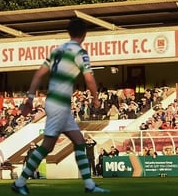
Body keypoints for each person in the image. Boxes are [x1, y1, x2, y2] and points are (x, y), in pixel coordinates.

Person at [11, 18, 109, 194]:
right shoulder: (80, 52)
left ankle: (89, 184)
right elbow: (89, 78)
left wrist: (30, 99)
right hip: (59, 105)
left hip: (56, 103)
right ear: (84, 34)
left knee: (79, 141)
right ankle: (19, 183)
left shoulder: (57, 51)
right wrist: (95, 99)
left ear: (69, 32)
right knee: (47, 146)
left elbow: (38, 75)